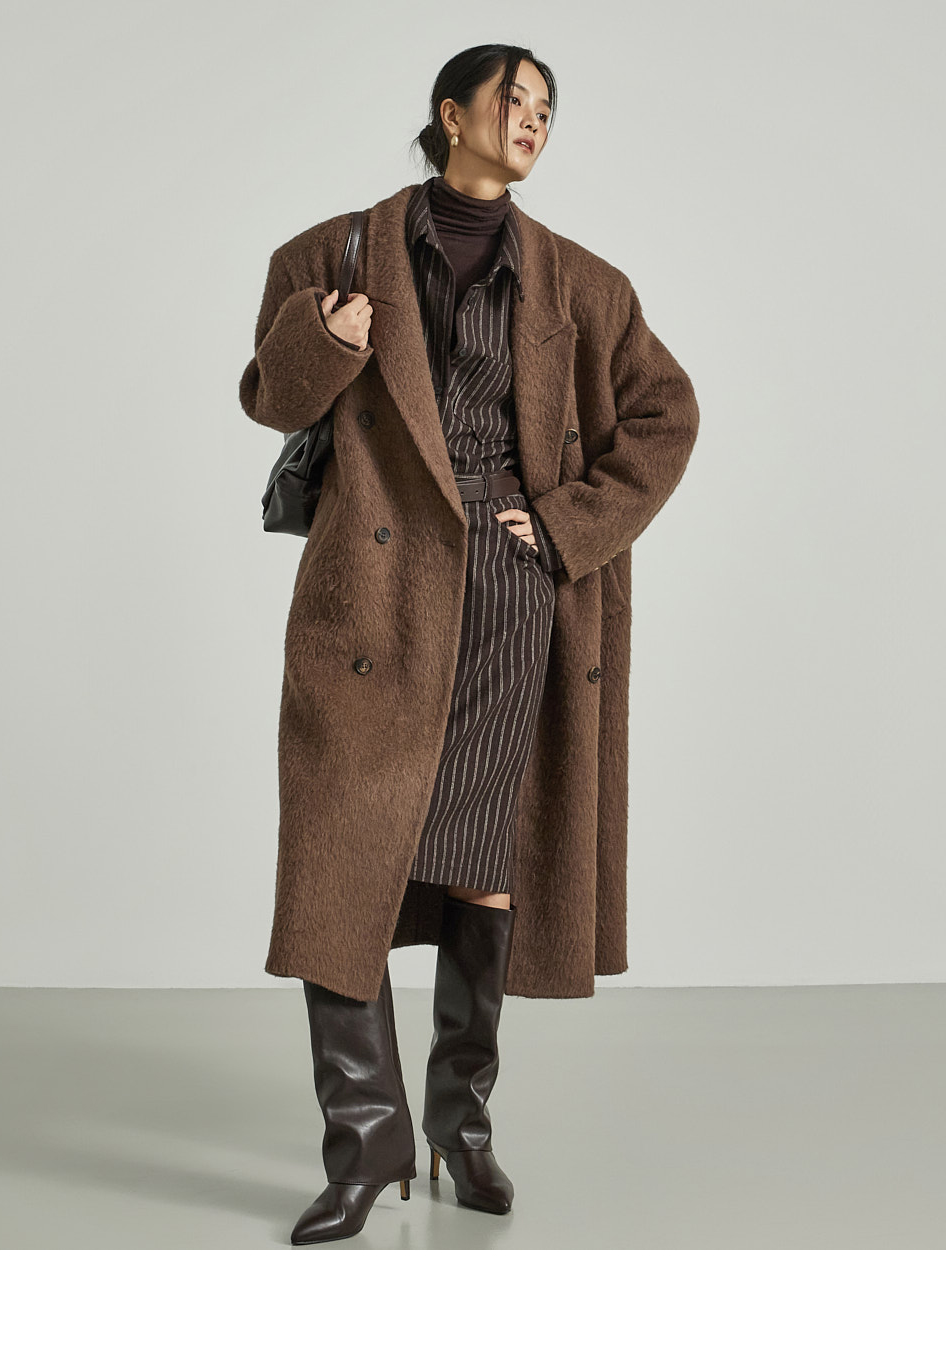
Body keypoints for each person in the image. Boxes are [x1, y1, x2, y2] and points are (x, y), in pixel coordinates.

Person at [238, 44, 700, 1246]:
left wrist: (564, 525)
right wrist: (329, 338)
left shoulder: (582, 283)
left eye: (547, 107)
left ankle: (461, 1122)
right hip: (370, 592)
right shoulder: (329, 255)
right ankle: (363, 1148)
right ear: (451, 114)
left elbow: (667, 413)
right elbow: (269, 398)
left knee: (483, 856)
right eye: (512, 100)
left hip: (506, 589)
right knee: (341, 855)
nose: (533, 119)